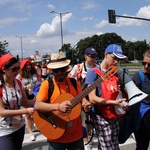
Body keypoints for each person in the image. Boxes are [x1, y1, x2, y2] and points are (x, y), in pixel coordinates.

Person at [34, 51, 91, 150]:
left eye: (61, 69)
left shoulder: (74, 82)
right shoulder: (47, 84)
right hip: (56, 134)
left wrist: (86, 104)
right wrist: (58, 107)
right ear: (52, 70)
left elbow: (82, 98)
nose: (59, 72)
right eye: (56, 70)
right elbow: (37, 105)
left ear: (66, 69)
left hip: (76, 135)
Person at [85, 44, 128, 150]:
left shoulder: (114, 73)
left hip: (114, 114)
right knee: (108, 146)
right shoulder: (93, 72)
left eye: (118, 59)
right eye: (114, 58)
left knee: (113, 145)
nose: (116, 62)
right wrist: (114, 103)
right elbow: (92, 98)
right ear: (106, 55)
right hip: (101, 116)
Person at [0, 54, 34, 150]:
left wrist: (38, 100)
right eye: (13, 69)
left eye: (18, 68)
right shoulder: (0, 86)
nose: (17, 71)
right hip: (4, 130)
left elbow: (25, 102)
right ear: (4, 69)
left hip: (19, 126)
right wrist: (26, 111)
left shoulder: (18, 82)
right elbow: (2, 112)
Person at [70, 47, 98, 150]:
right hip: (80, 97)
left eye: (95, 56)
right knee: (83, 119)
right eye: (91, 56)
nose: (93, 59)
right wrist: (77, 79)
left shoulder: (97, 67)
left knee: (92, 119)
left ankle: (88, 134)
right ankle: (86, 141)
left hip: (92, 96)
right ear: (85, 56)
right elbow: (70, 80)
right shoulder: (78, 67)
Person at [16, 59, 42, 141]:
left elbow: (40, 81)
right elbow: (17, 88)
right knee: (27, 114)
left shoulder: (34, 73)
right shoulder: (19, 76)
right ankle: (31, 133)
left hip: (35, 95)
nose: (28, 67)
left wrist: (38, 84)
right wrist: (26, 87)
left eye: (29, 65)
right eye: (26, 65)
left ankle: (34, 124)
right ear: (23, 67)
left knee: (36, 112)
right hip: (25, 96)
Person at [131, 50, 150, 150]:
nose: (146, 66)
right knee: (142, 145)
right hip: (143, 116)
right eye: (144, 63)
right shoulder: (138, 76)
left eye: (149, 64)